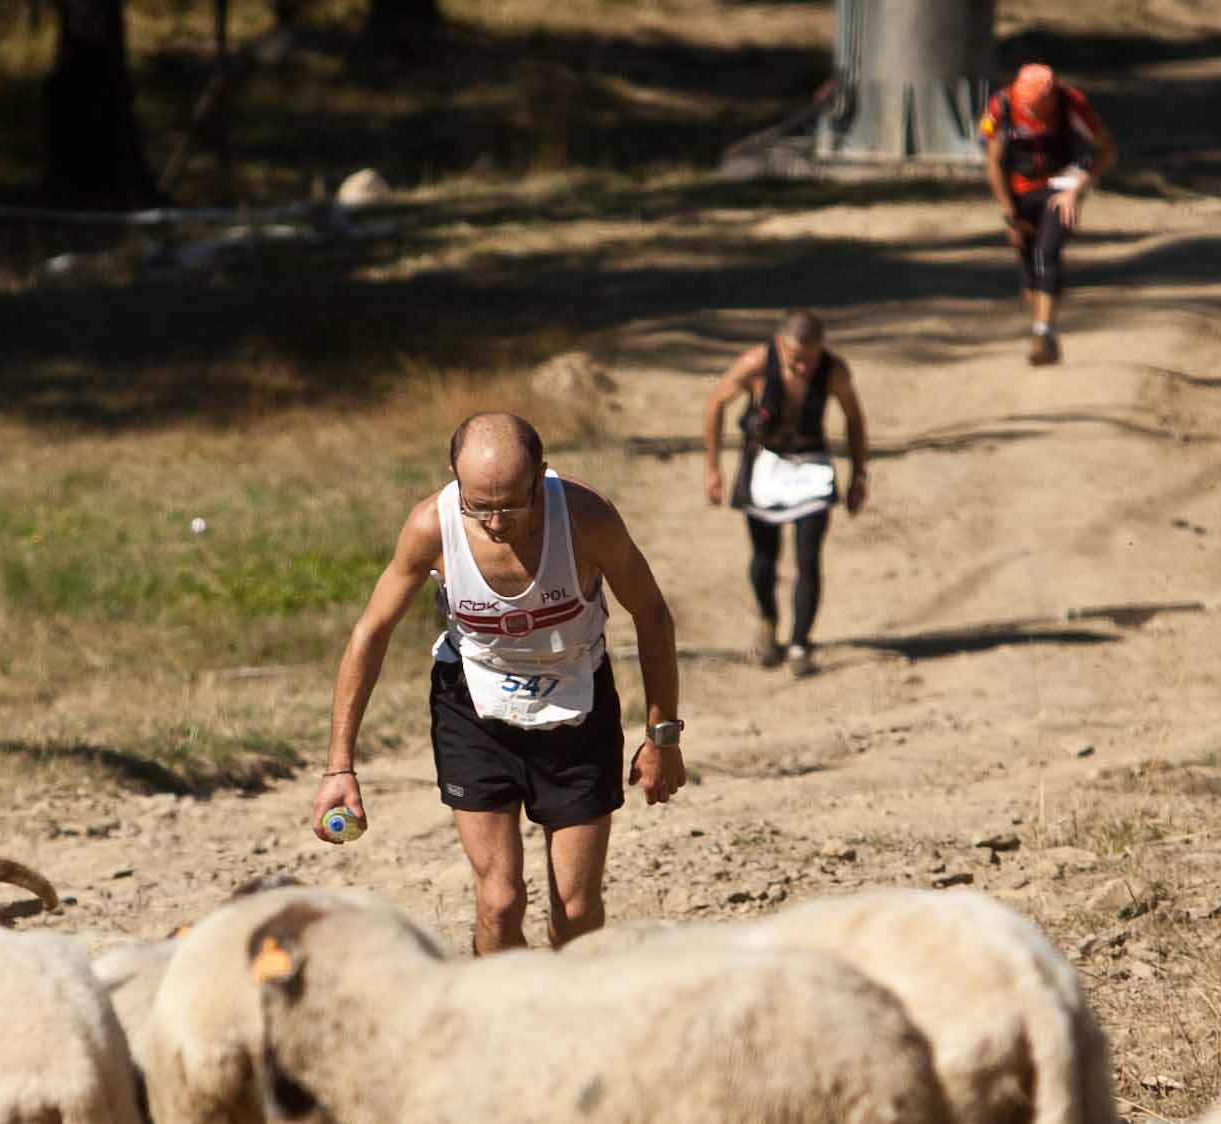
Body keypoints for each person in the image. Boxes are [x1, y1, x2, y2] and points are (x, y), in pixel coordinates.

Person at [310, 412, 685, 954]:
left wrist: (662, 737)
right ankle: (498, 1005)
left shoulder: (585, 518)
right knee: (500, 901)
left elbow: (651, 613)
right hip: (474, 710)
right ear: (455, 478)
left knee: (576, 909)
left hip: (576, 704)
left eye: (510, 505)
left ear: (540, 476)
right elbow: (371, 632)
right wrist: (339, 767)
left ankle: (572, 1002)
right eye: (478, 505)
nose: (494, 521)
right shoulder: (431, 527)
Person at [701, 309, 869, 676]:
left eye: (811, 359)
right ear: (780, 345)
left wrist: (859, 473)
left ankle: (799, 643)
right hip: (765, 464)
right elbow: (715, 403)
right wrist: (713, 468)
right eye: (795, 359)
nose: (803, 368)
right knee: (764, 557)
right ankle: (767, 622)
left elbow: (854, 418)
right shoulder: (756, 363)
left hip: (811, 466)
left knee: (808, 558)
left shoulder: (834, 370)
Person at [980, 62, 1116, 367]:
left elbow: (1106, 150)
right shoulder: (1001, 106)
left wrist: (1076, 189)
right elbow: (993, 164)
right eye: (1025, 105)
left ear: (1052, 97)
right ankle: (1042, 327)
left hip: (1061, 189)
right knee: (1030, 268)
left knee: (1047, 253)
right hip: (1019, 193)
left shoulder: (1073, 103)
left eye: (1036, 106)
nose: (1030, 112)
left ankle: (1044, 333)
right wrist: (1009, 214)